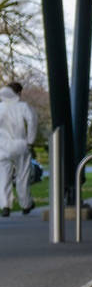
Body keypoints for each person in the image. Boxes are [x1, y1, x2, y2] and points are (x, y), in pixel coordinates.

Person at [0, 80, 35, 217]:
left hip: (3, 147)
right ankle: (25, 204)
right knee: (22, 176)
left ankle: (5, 206)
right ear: (19, 93)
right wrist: (30, 141)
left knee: (3, 178)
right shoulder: (23, 106)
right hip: (20, 144)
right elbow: (32, 121)